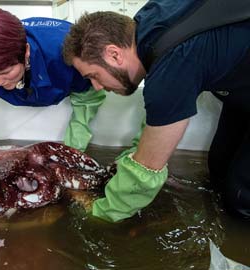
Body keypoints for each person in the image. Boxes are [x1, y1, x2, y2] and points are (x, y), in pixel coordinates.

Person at [62, 0, 250, 222]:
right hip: (240, 78)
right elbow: (158, 118)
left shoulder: (172, 64)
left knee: (240, 194)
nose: (97, 87)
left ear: (114, 54)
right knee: (219, 164)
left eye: (93, 76)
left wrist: (98, 213)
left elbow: (146, 169)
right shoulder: (147, 24)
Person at [0, 7, 105, 209]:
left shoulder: (66, 51)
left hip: (58, 66)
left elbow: (87, 99)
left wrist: (70, 159)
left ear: (26, 52)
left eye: (5, 72)